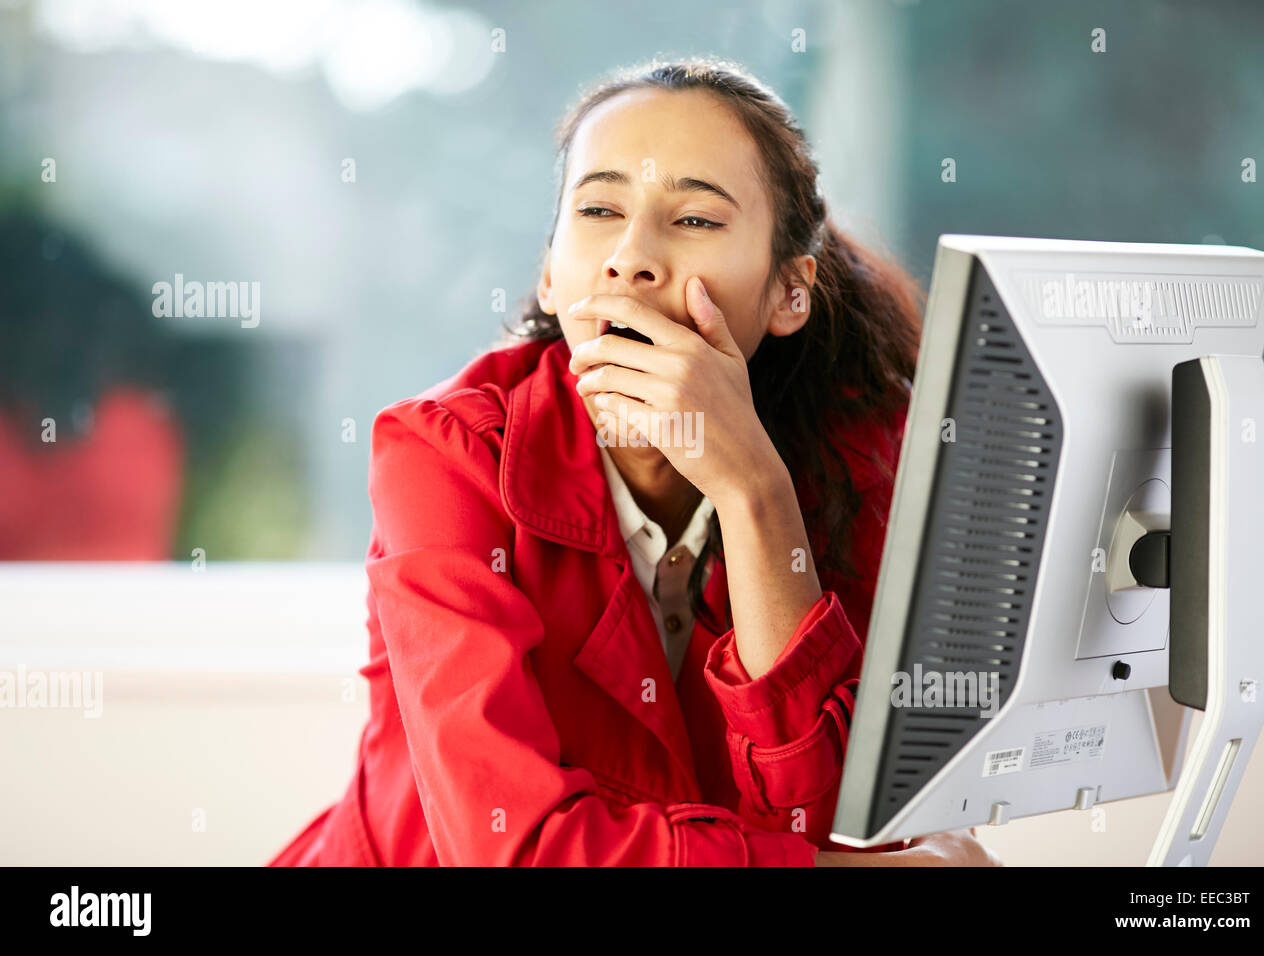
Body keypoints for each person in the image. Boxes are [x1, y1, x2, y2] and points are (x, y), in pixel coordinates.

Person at [268, 56, 1002, 867]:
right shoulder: (444, 455)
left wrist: (755, 492)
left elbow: (820, 823)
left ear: (790, 292)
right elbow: (516, 850)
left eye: (693, 220)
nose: (630, 258)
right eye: (599, 209)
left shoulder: (858, 463)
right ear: (552, 273)